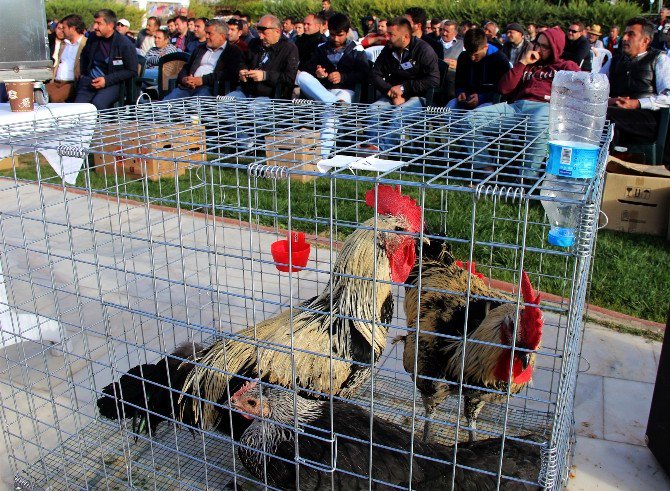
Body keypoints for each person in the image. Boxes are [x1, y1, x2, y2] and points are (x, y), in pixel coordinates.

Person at [468, 27, 580, 176]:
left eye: (544, 46)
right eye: (537, 44)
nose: (539, 49)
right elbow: (504, 89)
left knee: (538, 121)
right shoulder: (528, 63)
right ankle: (485, 168)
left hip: (545, 108)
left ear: (555, 48)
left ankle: (526, 179)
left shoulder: (566, 67)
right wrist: (522, 62)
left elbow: (582, 90)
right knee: (469, 119)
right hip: (517, 108)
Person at [361, 17, 439, 152]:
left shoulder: (423, 50)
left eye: (391, 34)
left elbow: (433, 79)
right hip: (393, 95)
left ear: (405, 37)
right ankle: (372, 147)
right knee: (373, 109)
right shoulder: (389, 49)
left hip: (418, 97)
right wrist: (391, 91)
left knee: (399, 113)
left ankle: (383, 151)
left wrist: (404, 89)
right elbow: (374, 74)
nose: (387, 37)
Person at [297, 13, 370, 155]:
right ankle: (335, 104)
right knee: (302, 76)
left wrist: (343, 77)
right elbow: (310, 68)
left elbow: (365, 75)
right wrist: (318, 73)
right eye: (333, 34)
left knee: (331, 114)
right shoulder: (321, 47)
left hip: (347, 92)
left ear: (347, 32)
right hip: (325, 91)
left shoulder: (357, 50)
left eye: (340, 35)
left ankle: (322, 156)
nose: (336, 39)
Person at [601, 17, 670, 158]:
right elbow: (594, 87)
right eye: (625, 34)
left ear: (645, 41)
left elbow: (668, 96)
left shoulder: (659, 59)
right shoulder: (615, 60)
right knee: (594, 115)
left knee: (606, 117)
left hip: (647, 119)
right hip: (615, 112)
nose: (624, 38)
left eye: (631, 34)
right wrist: (610, 100)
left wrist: (637, 103)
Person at [74, 9, 137, 109]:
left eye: (99, 23)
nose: (94, 27)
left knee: (97, 105)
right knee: (78, 108)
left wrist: (106, 80)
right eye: (94, 22)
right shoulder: (93, 38)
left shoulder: (124, 44)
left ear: (110, 25)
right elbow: (84, 55)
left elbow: (131, 70)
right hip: (90, 81)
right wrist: (84, 74)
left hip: (114, 84)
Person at [163, 20, 242, 100]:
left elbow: (230, 74)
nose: (206, 36)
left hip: (210, 89)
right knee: (166, 104)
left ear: (222, 36)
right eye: (206, 32)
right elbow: (186, 68)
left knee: (196, 106)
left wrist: (202, 80)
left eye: (209, 33)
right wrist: (184, 79)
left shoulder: (233, 51)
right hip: (188, 87)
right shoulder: (200, 49)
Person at [228, 14, 299, 100]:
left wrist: (265, 76)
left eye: (264, 34)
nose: (261, 37)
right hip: (245, 91)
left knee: (254, 109)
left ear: (277, 32)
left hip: (270, 96)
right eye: (259, 33)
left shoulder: (289, 48)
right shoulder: (254, 43)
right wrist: (242, 70)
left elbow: (289, 78)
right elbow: (242, 61)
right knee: (225, 103)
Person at [448, 28, 510, 110]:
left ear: (485, 47)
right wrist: (460, 92)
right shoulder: (463, 57)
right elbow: (459, 82)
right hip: (468, 98)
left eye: (476, 54)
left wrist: (481, 98)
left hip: (491, 102)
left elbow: (503, 91)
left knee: (473, 117)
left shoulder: (500, 60)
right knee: (449, 108)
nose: (472, 58)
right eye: (469, 54)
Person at [46, 14, 87, 103]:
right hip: (56, 82)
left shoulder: (86, 44)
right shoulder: (64, 44)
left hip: (72, 83)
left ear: (72, 28)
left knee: (54, 98)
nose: (62, 31)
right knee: (36, 94)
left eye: (64, 28)